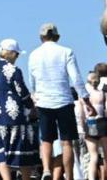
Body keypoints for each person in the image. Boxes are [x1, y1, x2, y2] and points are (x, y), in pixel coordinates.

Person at [28, 23, 96, 180]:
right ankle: (70, 176)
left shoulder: (33, 55)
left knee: (46, 140)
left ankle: (46, 170)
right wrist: (86, 101)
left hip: (44, 102)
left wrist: (36, 96)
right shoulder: (66, 52)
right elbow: (77, 79)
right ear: (57, 36)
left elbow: (32, 81)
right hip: (64, 101)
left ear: (41, 37)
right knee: (67, 143)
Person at [0, 39, 38, 180]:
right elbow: (22, 93)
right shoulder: (14, 70)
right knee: (21, 149)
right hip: (13, 116)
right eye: (17, 54)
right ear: (12, 54)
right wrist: (31, 107)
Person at [83, 72, 106, 180]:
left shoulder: (84, 94)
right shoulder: (102, 93)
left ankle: (91, 178)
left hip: (90, 122)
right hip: (101, 122)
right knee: (106, 154)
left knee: (93, 156)